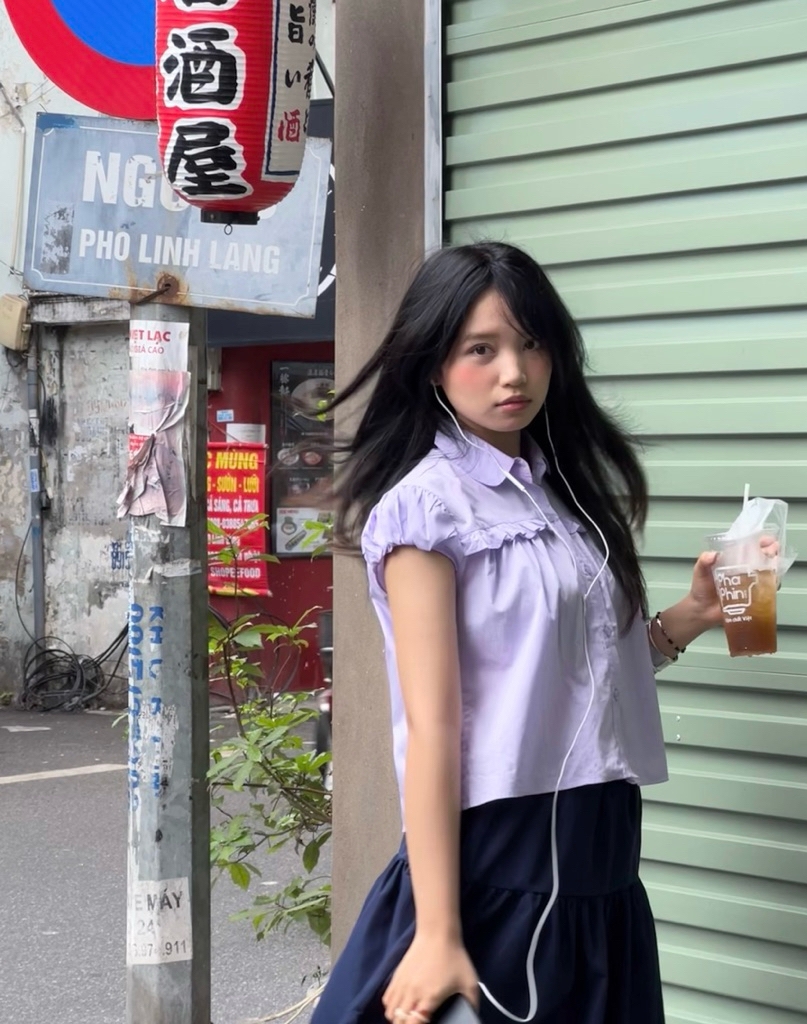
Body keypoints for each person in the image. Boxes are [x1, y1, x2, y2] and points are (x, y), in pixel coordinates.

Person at [311, 242, 773, 1024]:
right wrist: (438, 931)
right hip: (505, 854)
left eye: (531, 345)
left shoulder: (563, 499)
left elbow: (577, 674)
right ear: (433, 364)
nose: (514, 373)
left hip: (603, 852)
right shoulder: (428, 510)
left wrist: (692, 615)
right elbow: (432, 726)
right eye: (481, 350)